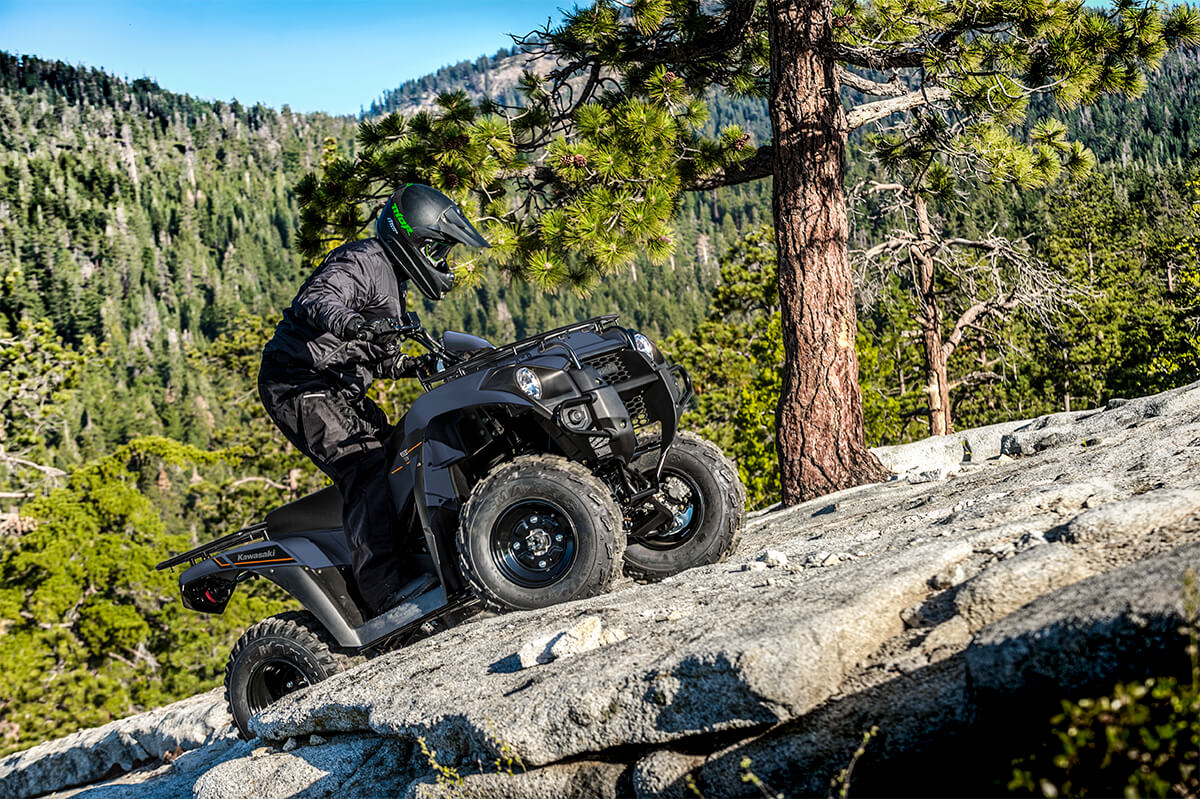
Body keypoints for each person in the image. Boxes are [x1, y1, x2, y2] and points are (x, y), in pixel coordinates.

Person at [257, 183, 489, 616]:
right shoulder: (362, 260)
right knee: (363, 465)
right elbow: (317, 300)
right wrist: (353, 324)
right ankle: (384, 590)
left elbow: (375, 356)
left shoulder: (392, 280)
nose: (443, 263)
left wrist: (412, 366)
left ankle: (425, 559)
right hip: (299, 382)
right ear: (414, 238)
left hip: (337, 385)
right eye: (439, 251)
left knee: (402, 452)